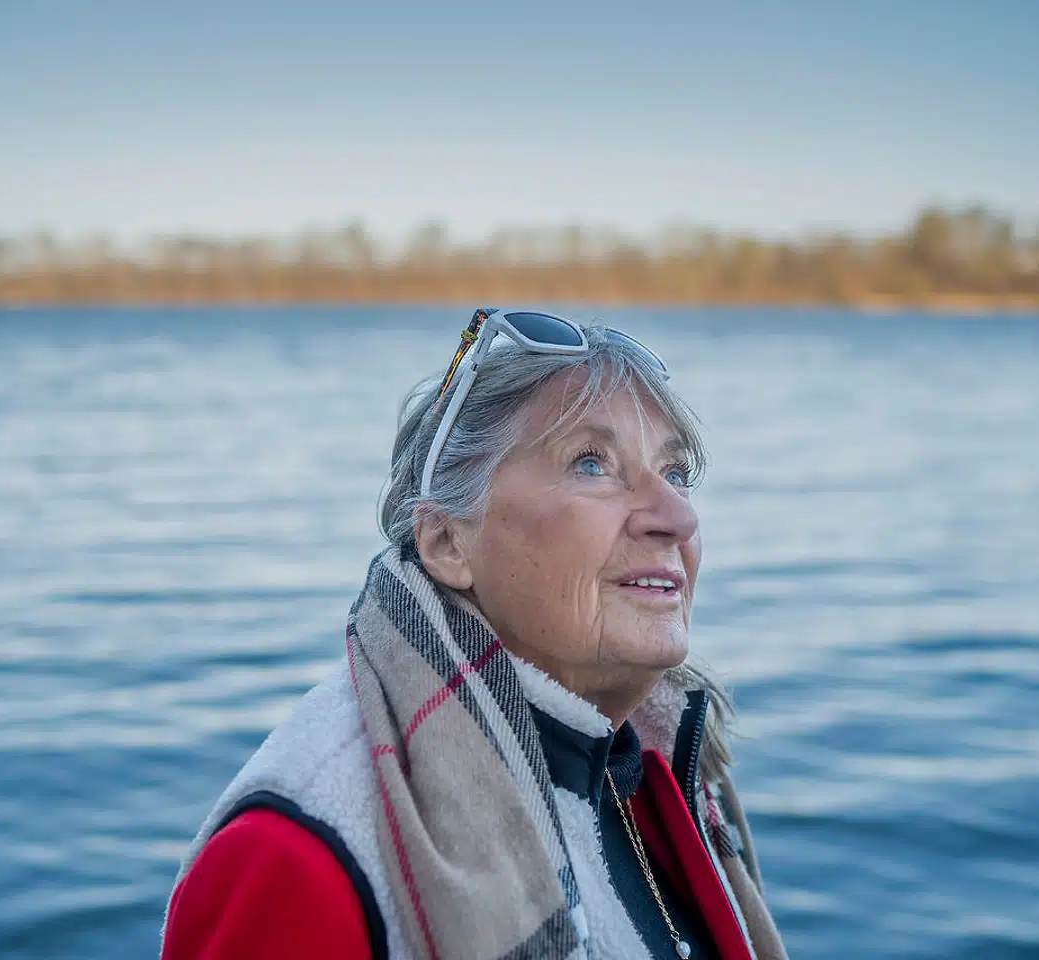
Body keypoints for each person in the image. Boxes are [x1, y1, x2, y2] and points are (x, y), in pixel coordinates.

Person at [161, 309, 787, 960]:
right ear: (447, 542)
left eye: (675, 473)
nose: (677, 517)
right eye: (591, 464)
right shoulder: (300, 853)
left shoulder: (663, 774)